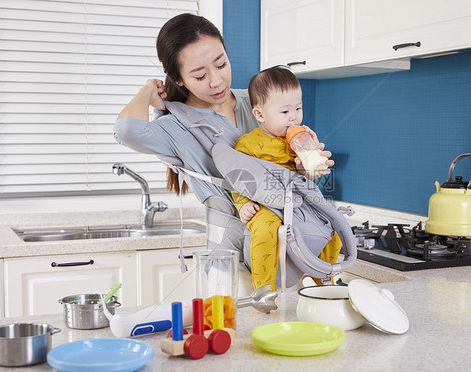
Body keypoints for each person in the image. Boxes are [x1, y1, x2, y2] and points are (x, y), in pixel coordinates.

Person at [113, 14, 334, 287]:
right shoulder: (178, 126)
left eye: (222, 64)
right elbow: (126, 131)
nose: (216, 81)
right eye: (200, 75)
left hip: (291, 245)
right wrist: (148, 90)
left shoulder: (258, 102)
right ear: (178, 79)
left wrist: (303, 170)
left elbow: (287, 165)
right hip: (229, 261)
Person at [232, 66, 342, 291]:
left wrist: (310, 165)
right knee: (264, 230)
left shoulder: (301, 139)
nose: (294, 117)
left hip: (300, 203)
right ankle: (264, 290)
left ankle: (323, 279)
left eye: (298, 108)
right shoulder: (247, 144)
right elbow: (238, 177)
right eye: (285, 112)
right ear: (260, 114)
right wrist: (244, 204)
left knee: (335, 224)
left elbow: (307, 179)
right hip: (266, 204)